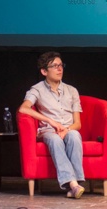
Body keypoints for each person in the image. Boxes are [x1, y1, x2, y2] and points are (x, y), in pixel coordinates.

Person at [18, 52, 86, 198]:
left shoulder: (72, 90)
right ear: (44, 71)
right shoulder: (37, 89)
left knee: (74, 135)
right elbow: (24, 108)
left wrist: (66, 129)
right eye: (54, 66)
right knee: (55, 139)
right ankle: (74, 184)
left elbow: (78, 124)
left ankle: (72, 186)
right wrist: (50, 121)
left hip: (68, 129)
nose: (59, 69)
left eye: (61, 65)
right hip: (48, 130)